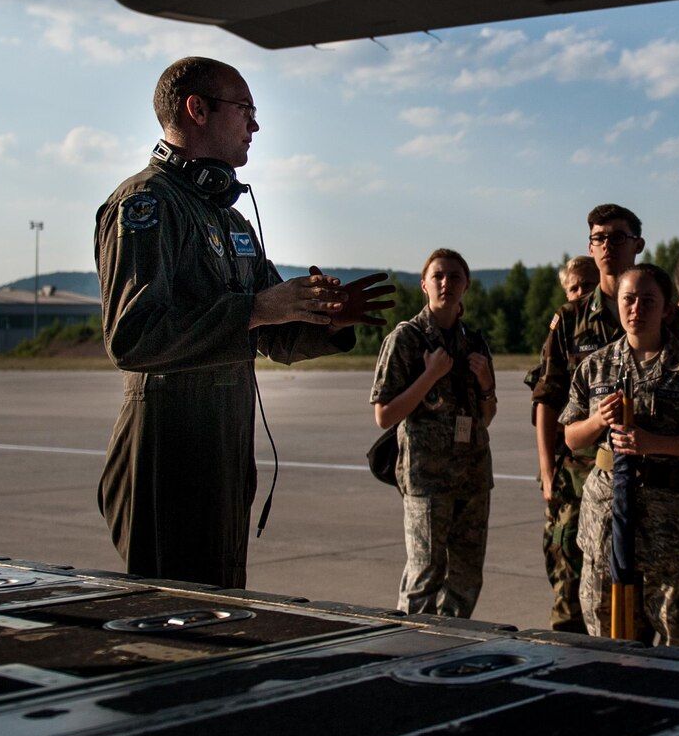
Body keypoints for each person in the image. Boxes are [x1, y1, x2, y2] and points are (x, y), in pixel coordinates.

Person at [96, 57, 392, 587]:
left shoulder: (228, 218)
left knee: (223, 608)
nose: (255, 125)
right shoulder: (146, 205)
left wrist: (323, 319)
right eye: (246, 110)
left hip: (225, 442)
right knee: (175, 617)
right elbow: (133, 336)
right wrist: (256, 309)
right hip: (169, 444)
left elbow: (274, 333)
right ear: (197, 109)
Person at [561, 263, 679, 645]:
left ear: (666, 307)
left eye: (648, 301)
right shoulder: (596, 365)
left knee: (677, 631)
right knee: (609, 633)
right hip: (607, 517)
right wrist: (599, 420)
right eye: (628, 299)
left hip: (672, 523)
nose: (636, 308)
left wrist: (654, 444)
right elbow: (571, 436)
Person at [529, 205, 646, 632]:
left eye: (617, 237)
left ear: (638, 245)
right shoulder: (571, 319)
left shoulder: (653, 308)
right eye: (599, 238)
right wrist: (546, 469)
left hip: (644, 475)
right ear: (589, 246)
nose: (607, 246)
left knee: (641, 596)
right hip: (578, 474)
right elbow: (546, 397)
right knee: (572, 591)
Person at [370, 248, 497, 617]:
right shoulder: (407, 339)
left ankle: (449, 646)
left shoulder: (475, 343)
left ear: (466, 286)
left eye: (455, 277)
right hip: (427, 477)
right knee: (425, 571)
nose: (447, 283)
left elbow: (486, 416)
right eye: (438, 276)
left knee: (467, 574)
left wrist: (486, 384)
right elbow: (385, 414)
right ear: (424, 284)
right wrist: (429, 377)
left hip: (472, 476)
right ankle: (409, 647)